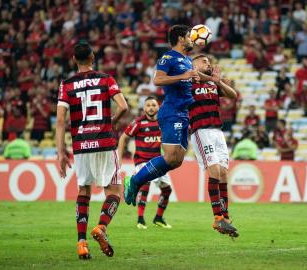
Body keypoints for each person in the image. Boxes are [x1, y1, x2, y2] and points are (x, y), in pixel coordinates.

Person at [56, 42, 128, 259]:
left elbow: (60, 120)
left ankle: (81, 243)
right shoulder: (106, 79)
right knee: (114, 191)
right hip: (105, 141)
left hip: (81, 144)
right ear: (93, 57)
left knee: (83, 192)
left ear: (74, 60)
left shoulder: (66, 85)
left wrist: (61, 152)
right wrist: (111, 122)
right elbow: (123, 106)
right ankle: (101, 227)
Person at [123, 25, 205, 206]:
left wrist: (196, 78)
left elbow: (186, 80)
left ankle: (138, 180)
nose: (192, 40)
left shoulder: (187, 60)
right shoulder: (168, 58)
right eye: (189, 37)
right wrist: (183, 76)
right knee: (169, 157)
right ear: (181, 39)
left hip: (184, 113)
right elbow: (158, 80)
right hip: (171, 111)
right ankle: (135, 180)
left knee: (177, 161)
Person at [189, 54, 239, 237]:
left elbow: (233, 95)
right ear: (193, 65)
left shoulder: (212, 84)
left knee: (224, 172)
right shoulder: (189, 81)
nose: (208, 63)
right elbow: (191, 75)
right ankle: (217, 217)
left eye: (209, 62)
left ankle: (225, 217)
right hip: (201, 131)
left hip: (218, 131)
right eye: (203, 61)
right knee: (215, 170)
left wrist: (217, 82)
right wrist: (210, 78)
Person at [118, 96, 173, 229]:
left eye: (153, 105)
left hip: (158, 162)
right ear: (144, 108)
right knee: (145, 184)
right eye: (148, 105)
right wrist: (118, 159)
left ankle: (158, 218)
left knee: (167, 190)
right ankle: (140, 219)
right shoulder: (138, 123)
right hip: (142, 161)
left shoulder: (162, 123)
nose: (151, 108)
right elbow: (123, 138)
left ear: (158, 107)